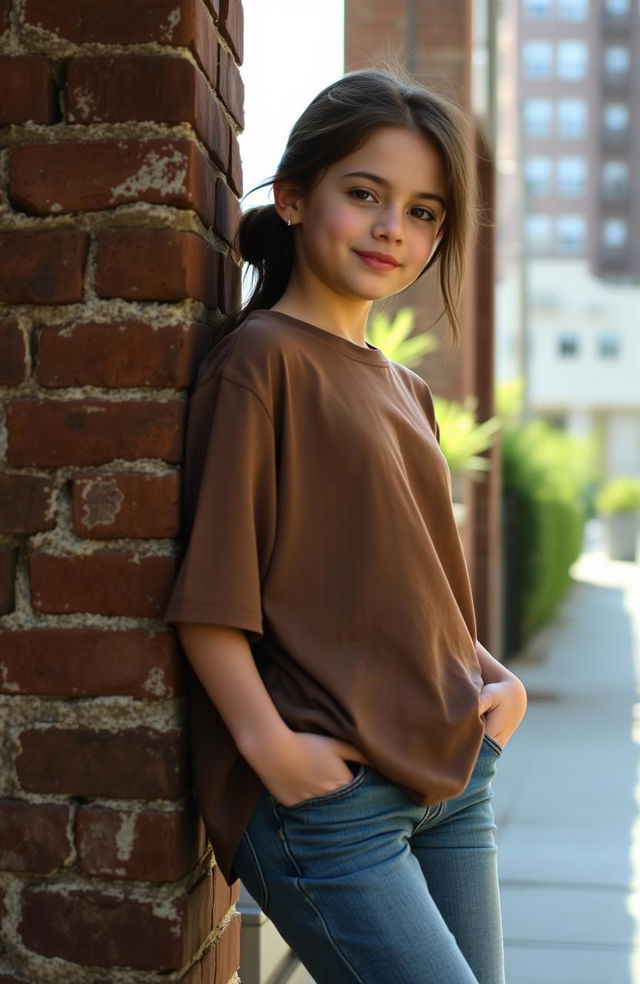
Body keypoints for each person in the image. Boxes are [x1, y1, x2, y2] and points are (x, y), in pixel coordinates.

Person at [164, 66, 527, 984]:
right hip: (331, 801)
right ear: (291, 197)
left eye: (423, 212)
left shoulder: (405, 387)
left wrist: (494, 680)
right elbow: (213, 591)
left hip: (452, 771)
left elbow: (410, 579)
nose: (390, 230)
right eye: (364, 194)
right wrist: (267, 747)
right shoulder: (259, 364)